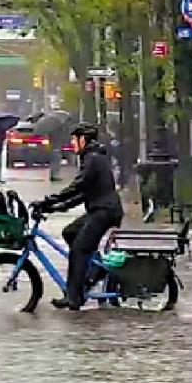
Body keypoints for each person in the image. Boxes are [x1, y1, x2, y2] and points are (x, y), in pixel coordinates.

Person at [33, 123, 124, 311]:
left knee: (79, 250)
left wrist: (49, 200)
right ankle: (96, 269)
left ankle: (73, 297)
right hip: (99, 209)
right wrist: (56, 207)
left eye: (74, 139)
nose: (72, 143)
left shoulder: (93, 158)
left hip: (105, 212)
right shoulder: (91, 157)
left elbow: (78, 186)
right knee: (70, 233)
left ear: (84, 140)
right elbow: (83, 193)